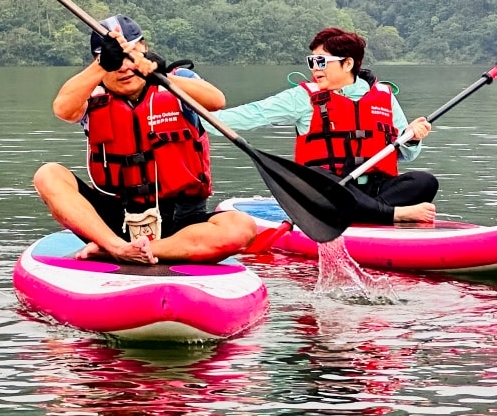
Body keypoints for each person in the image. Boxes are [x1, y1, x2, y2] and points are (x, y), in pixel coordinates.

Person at [32, 16, 257, 264]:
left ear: (145, 50)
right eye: (114, 61)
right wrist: (101, 65)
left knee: (241, 227)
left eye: (130, 56)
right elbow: (63, 109)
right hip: (116, 220)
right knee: (48, 174)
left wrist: (161, 77)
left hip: (182, 224)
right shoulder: (91, 94)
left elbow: (216, 100)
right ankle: (114, 245)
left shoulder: (177, 81)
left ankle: (138, 250)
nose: (124, 67)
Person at [218, 27, 436, 224]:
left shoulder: (384, 96)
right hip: (327, 192)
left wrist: (412, 138)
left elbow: (405, 154)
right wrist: (199, 118)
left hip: (371, 190)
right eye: (311, 62)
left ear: (348, 63)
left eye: (321, 62)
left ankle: (364, 213)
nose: (315, 69)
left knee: (425, 181)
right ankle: (392, 214)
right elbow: (252, 114)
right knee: (315, 176)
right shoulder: (303, 98)